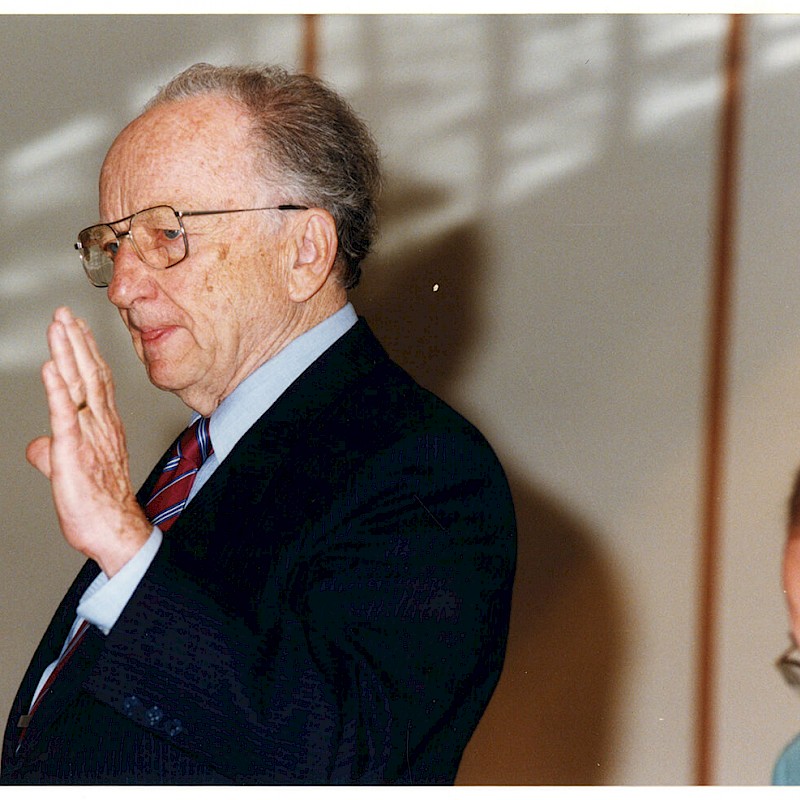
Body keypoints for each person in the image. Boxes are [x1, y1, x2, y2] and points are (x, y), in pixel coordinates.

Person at [0, 63, 516, 785]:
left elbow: (344, 757)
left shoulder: (425, 467)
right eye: (114, 246)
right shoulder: (201, 460)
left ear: (304, 251)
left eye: (164, 234)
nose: (122, 287)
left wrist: (124, 544)